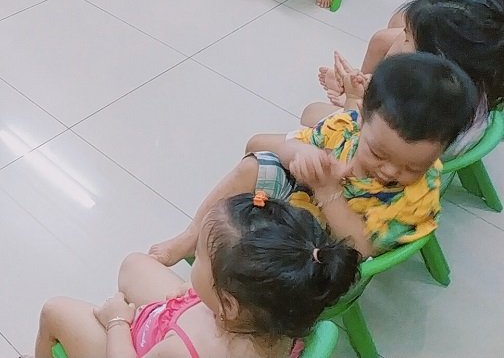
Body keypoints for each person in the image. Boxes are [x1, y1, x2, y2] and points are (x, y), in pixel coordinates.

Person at [150, 53, 479, 265]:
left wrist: (328, 191)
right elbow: (289, 147)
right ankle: (191, 236)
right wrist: (303, 153)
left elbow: (362, 248)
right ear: (362, 116)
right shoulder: (346, 127)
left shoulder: (418, 195)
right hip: (301, 203)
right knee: (254, 166)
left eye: (413, 167)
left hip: (323, 253)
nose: (391, 170)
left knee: (257, 256)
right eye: (378, 153)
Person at [34, 194, 359, 358]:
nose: (194, 261)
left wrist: (117, 321)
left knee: (54, 310)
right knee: (134, 264)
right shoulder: (284, 311)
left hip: (140, 344)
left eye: (200, 256)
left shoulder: (181, 351)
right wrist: (192, 298)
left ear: (228, 303)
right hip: (189, 320)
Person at [312, 0, 504, 159]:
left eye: (407, 38)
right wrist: (360, 88)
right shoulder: (467, 80)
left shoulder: (418, 113)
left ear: (436, 60)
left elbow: (358, 147)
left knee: (311, 112)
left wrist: (353, 101)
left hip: (387, 157)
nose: (400, 41)